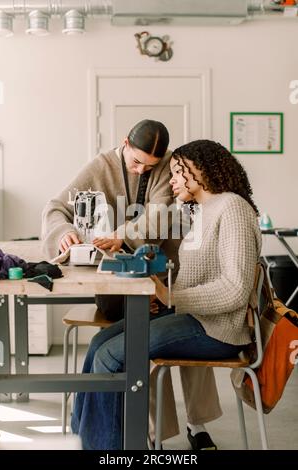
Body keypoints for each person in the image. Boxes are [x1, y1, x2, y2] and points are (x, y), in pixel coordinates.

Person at [72, 139, 262, 450]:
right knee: (98, 343)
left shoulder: (233, 209)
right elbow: (203, 275)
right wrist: (164, 296)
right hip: (196, 317)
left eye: (177, 172)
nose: (170, 180)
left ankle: (105, 448)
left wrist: (171, 297)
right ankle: (83, 439)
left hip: (217, 330)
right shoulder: (204, 210)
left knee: (111, 356)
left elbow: (236, 290)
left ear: (198, 171)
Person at [42, 121, 221, 450]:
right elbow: (56, 208)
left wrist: (119, 236)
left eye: (150, 166)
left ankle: (197, 423)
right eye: (136, 162)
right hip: (126, 277)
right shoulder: (101, 166)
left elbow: (157, 217)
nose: (142, 170)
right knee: (136, 346)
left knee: (182, 341)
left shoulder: (170, 166)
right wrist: (61, 233)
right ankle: (154, 433)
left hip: (171, 271)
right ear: (124, 143)